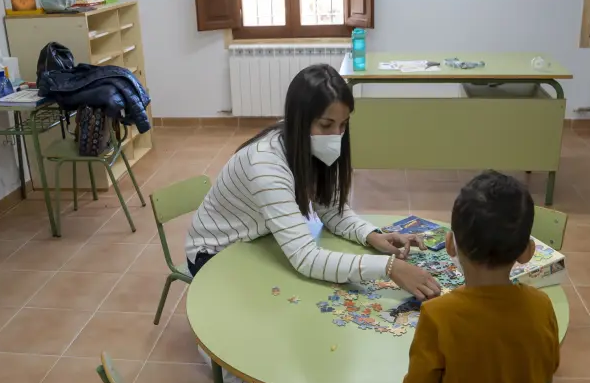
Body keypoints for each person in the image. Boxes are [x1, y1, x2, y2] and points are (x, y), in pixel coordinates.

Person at [361, 171, 561, 383]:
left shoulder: (440, 315)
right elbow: (547, 370)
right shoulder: (542, 305)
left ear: (450, 244)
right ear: (527, 252)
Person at [184, 64, 441, 300]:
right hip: (214, 254)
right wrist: (390, 267)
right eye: (326, 125)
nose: (336, 135)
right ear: (300, 121)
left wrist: (372, 235)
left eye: (343, 125)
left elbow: (331, 210)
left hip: (259, 239)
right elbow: (306, 258)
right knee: (284, 300)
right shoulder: (265, 164)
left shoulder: (309, 144)